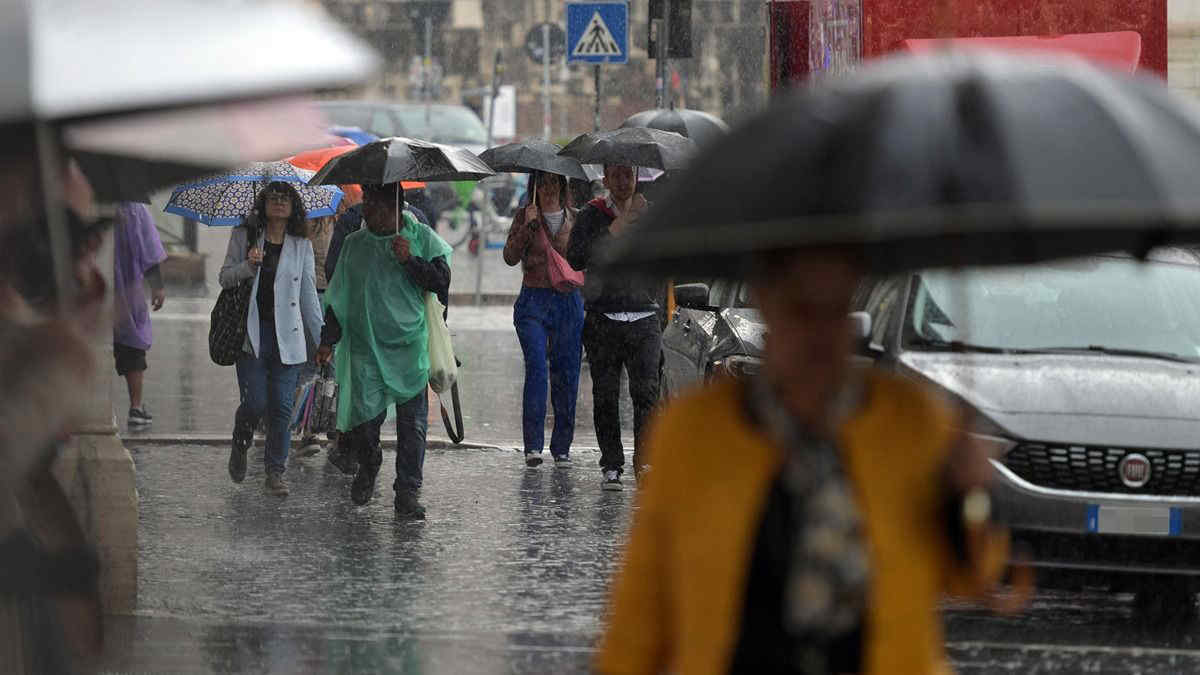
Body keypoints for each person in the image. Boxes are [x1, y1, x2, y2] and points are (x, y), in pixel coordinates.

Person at [595, 248, 1010, 675]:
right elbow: (639, 616)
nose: (817, 333)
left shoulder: (913, 422)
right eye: (800, 310)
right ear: (767, 304)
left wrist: (974, 494)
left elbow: (975, 577)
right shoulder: (695, 432)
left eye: (833, 311)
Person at [317, 182, 452, 519]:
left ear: (396, 207)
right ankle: (369, 460)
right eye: (367, 203)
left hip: (409, 348)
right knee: (364, 422)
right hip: (365, 349)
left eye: (376, 205)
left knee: (413, 426)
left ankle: (407, 491)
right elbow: (339, 295)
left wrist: (411, 260)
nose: (368, 212)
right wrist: (327, 339)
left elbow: (441, 281)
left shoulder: (421, 236)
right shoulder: (354, 245)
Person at [219, 181, 323, 497]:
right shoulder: (243, 237)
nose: (279, 203)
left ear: (293, 207)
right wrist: (248, 266)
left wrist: (324, 341)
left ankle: (275, 472)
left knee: (281, 408)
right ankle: (241, 438)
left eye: (285, 198)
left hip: (288, 337)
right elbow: (225, 278)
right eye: (273, 197)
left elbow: (308, 297)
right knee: (255, 403)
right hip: (253, 334)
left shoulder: (301, 246)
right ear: (263, 204)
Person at [566, 164, 660, 490]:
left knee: (646, 394)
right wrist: (614, 230)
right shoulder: (592, 215)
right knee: (605, 395)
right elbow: (575, 258)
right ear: (605, 179)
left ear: (636, 178)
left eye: (628, 175)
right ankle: (611, 464)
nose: (623, 182)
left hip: (644, 315)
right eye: (616, 175)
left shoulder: (649, 215)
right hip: (603, 316)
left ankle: (644, 460)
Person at [503, 170, 584, 468]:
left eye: (553, 182)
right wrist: (528, 227)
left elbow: (586, 257)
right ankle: (533, 446)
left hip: (567, 302)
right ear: (534, 186)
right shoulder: (525, 214)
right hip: (533, 301)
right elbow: (510, 257)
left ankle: (562, 447)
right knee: (537, 368)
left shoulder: (576, 218)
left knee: (566, 373)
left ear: (562, 186)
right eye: (543, 183)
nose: (548, 189)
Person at [111, 202, 167, 429]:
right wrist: (157, 286)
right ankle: (136, 407)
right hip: (127, 288)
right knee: (132, 346)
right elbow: (149, 249)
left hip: (89, 285)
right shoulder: (134, 208)